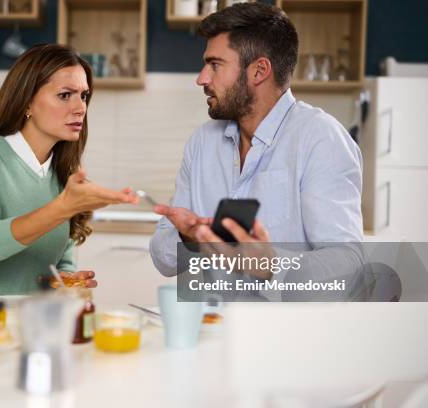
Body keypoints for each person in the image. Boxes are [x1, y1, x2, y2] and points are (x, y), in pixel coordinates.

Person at [149, 3, 364, 283]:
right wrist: (188, 237)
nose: (201, 78)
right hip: (213, 322)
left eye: (215, 65)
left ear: (259, 70)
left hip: (286, 325)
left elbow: (348, 263)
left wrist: (272, 264)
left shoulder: (321, 139)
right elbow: (162, 259)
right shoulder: (202, 143)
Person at [0, 44, 138, 295]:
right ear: (27, 102)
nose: (81, 108)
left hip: (31, 323)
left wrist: (65, 280)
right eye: (65, 95)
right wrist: (64, 207)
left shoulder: (63, 178)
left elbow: (61, 264)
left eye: (84, 96)